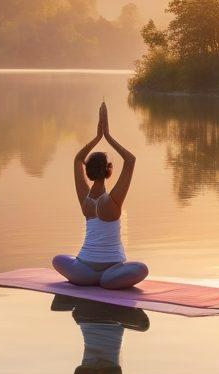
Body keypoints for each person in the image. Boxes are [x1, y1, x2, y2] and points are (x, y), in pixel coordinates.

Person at [52, 101, 149, 291]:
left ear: (88, 172)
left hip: (84, 270)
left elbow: (78, 159)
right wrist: (108, 136)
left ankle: (93, 278)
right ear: (108, 171)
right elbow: (130, 160)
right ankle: (107, 279)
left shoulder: (85, 201)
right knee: (142, 269)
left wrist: (97, 137)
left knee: (57, 260)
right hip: (112, 269)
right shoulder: (112, 201)